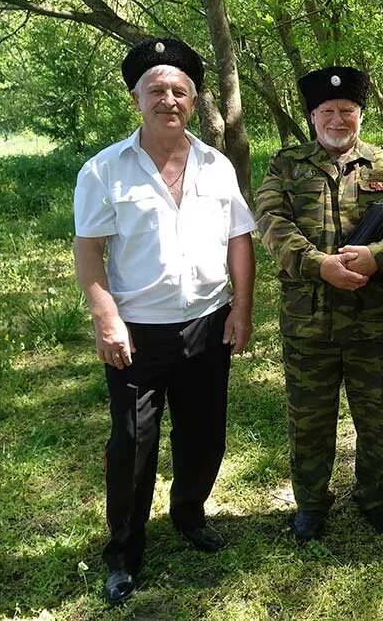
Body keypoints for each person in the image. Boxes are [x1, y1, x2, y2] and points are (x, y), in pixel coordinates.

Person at [73, 37, 256, 604]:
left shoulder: (216, 165)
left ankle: (189, 514)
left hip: (208, 320)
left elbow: (239, 240)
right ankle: (124, 551)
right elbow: (89, 250)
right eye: (156, 90)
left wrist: (243, 310)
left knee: (204, 434)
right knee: (132, 442)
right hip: (138, 331)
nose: (168, 99)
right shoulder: (104, 170)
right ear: (136, 99)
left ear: (195, 102)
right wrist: (107, 319)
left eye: (179, 91)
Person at [256, 66, 383, 541]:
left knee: (379, 419)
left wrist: (378, 255)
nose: (338, 119)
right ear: (312, 116)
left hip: (374, 322)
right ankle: (311, 503)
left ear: (360, 115)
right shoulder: (286, 166)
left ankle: (376, 498)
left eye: (347, 111)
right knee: (309, 422)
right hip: (309, 323)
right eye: (327, 111)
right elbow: (271, 222)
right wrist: (318, 264)